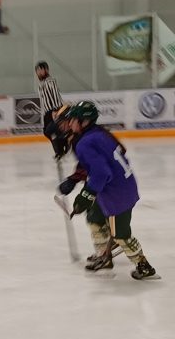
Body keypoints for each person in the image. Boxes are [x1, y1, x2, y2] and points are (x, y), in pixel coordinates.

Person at [57, 101, 158, 280]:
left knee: (121, 234)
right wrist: (77, 181)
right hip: (117, 187)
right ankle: (104, 256)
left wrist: (85, 196)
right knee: (94, 218)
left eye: (73, 120)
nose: (70, 124)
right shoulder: (99, 134)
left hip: (117, 194)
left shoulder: (84, 143)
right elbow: (111, 158)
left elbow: (101, 173)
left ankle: (144, 266)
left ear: (84, 121)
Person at [35, 61, 68, 160]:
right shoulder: (41, 85)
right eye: (37, 70)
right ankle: (59, 150)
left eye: (41, 69)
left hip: (54, 111)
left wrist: (56, 110)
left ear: (46, 70)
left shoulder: (50, 81)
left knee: (52, 131)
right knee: (48, 132)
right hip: (47, 113)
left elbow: (55, 96)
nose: (39, 72)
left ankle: (62, 146)